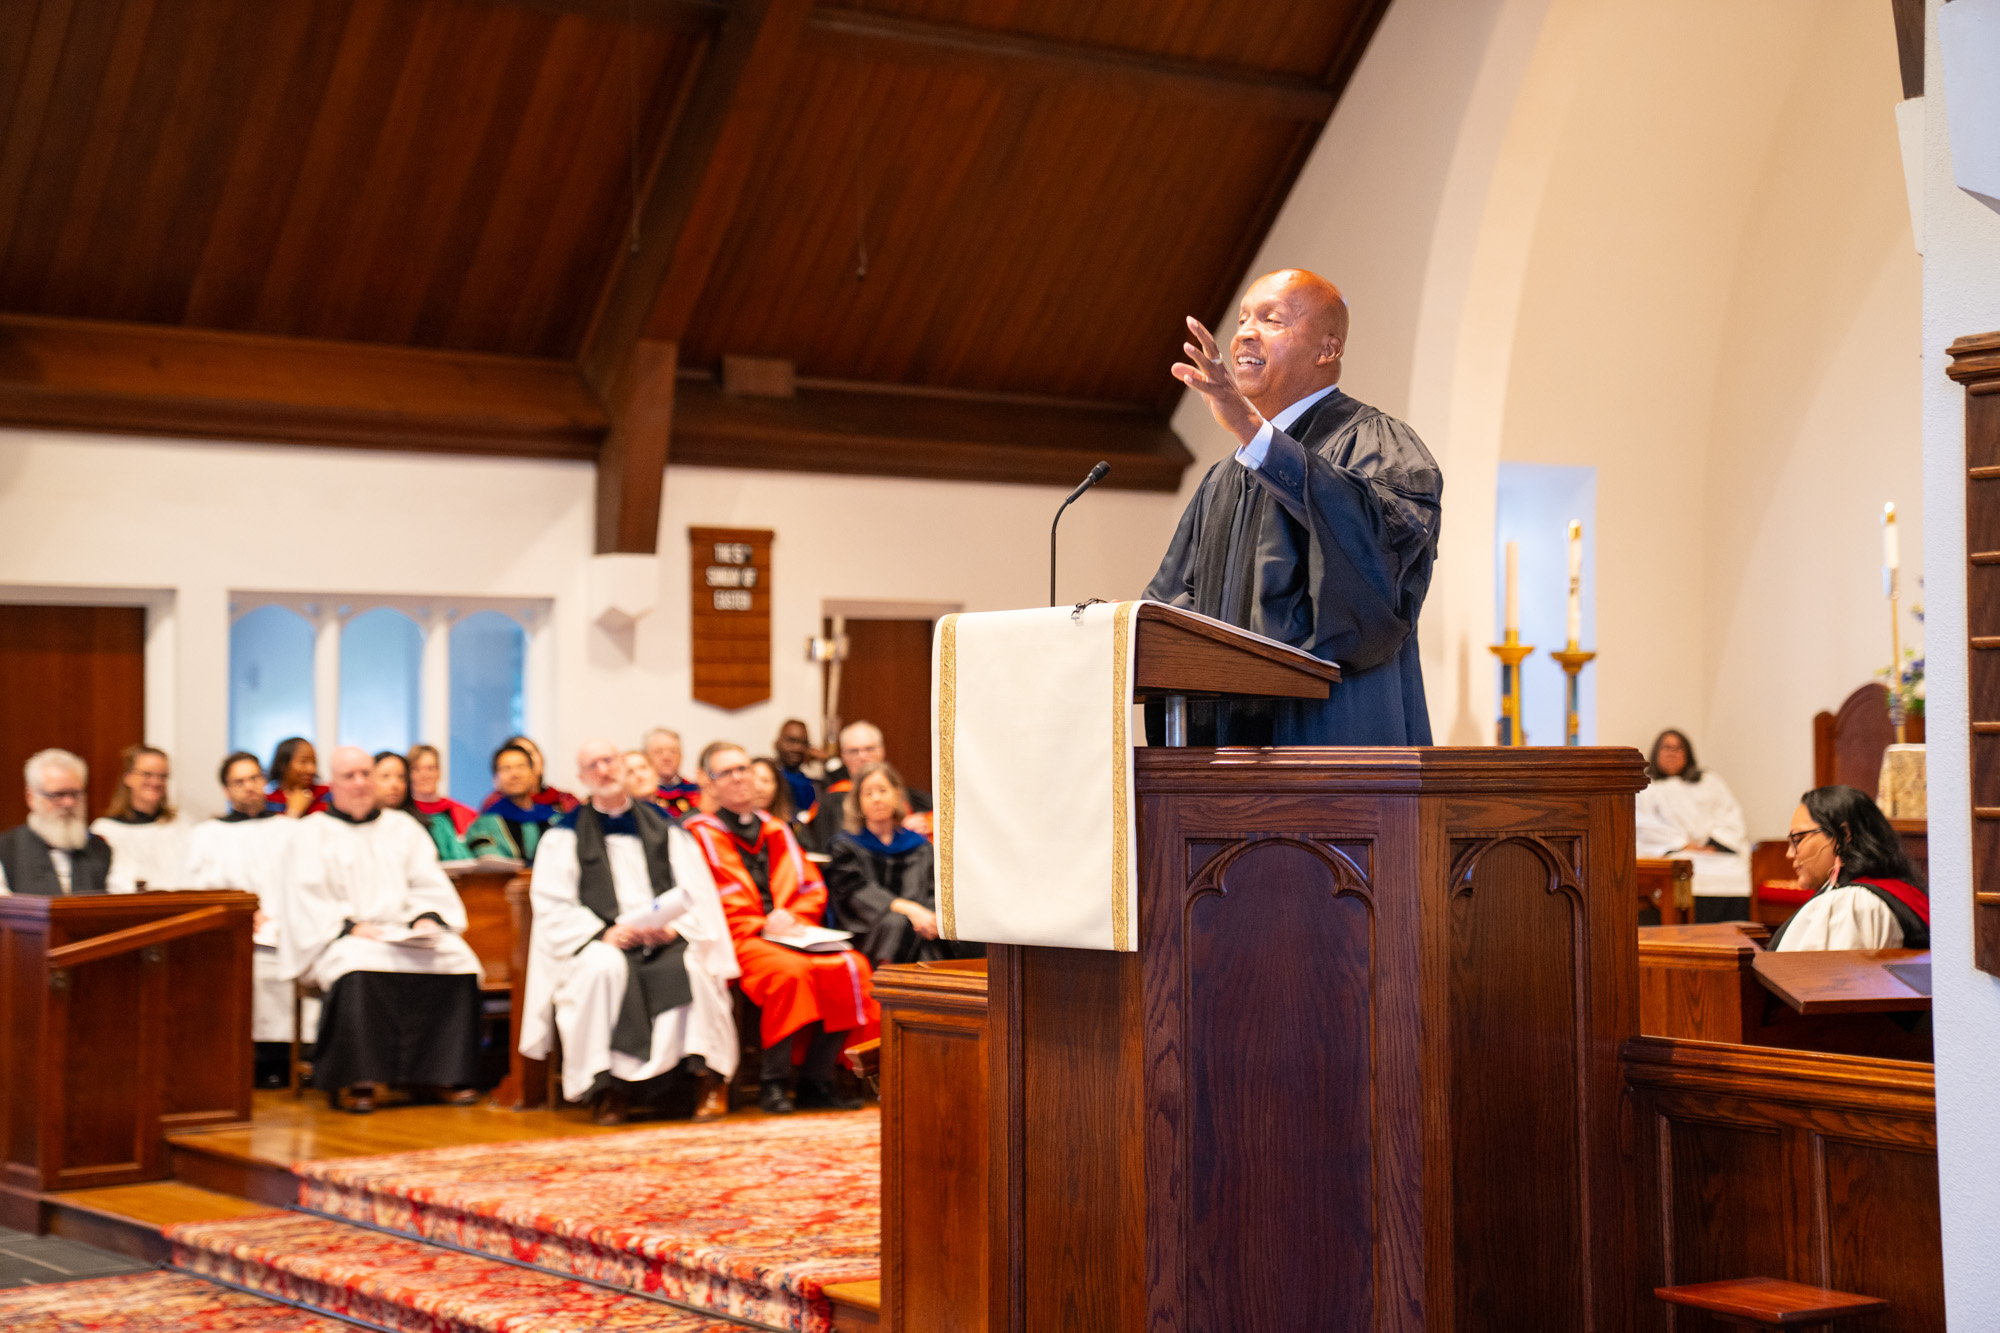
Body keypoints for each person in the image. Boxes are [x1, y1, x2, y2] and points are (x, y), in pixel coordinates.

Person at [1143, 268, 1441, 745]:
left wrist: (1253, 431)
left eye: (1271, 319)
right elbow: (1181, 606)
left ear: (1328, 349)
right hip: (1221, 761)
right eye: (1243, 318)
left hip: (1332, 747)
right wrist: (1122, 629)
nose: (1245, 333)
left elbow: (1378, 557)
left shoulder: (1377, 443)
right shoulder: (1223, 478)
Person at [520, 740, 740, 1125]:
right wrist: (602, 933)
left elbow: (698, 893)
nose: (603, 770)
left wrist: (673, 927)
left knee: (694, 968)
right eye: (593, 765)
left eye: (609, 760)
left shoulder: (665, 828)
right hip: (603, 938)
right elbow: (553, 904)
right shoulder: (564, 836)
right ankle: (609, 1089)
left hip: (664, 936)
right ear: (581, 777)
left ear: (623, 764)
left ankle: (706, 1079)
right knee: (602, 968)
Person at [276, 746, 483, 1113]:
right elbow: (305, 898)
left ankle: (438, 1078)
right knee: (357, 965)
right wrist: (350, 927)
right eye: (349, 776)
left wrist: (426, 917)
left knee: (457, 959)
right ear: (332, 783)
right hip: (345, 937)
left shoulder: (403, 828)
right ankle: (360, 1080)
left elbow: (427, 883)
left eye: (365, 774)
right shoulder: (311, 832)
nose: (360, 783)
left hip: (401, 932)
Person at [683, 742, 877, 1114]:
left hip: (788, 931)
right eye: (727, 772)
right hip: (739, 937)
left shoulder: (776, 829)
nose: (739, 778)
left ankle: (816, 1080)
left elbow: (810, 887)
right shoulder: (696, 834)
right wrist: (763, 923)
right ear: (708, 781)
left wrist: (791, 917)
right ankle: (774, 1082)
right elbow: (702, 900)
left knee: (851, 966)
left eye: (743, 769)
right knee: (790, 973)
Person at [184, 751, 309, 1086]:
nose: (249, 786)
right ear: (226, 790)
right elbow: (196, 889)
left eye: (254, 778)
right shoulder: (206, 834)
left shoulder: (291, 829)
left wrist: (278, 917)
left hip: (286, 926)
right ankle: (249, 1061)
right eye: (239, 782)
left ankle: (293, 1057)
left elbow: (306, 883)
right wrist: (239, 914)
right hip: (234, 926)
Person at [827, 761, 982, 967]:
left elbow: (934, 890)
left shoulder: (919, 846)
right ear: (858, 802)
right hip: (870, 930)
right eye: (868, 793)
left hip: (921, 926)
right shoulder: (846, 847)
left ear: (897, 795)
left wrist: (929, 918)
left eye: (883, 790)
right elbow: (855, 893)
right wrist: (909, 910)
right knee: (897, 924)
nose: (876, 798)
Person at [1771, 786, 1930, 951]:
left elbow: (1828, 968)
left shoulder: (1852, 904)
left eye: (1798, 839)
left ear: (1843, 834)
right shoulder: (1898, 891)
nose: (1790, 853)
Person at [1635, 729, 1751, 921]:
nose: (1672, 753)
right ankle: (1688, 928)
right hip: (1673, 852)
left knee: (1737, 870)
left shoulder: (1709, 781)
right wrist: (1683, 845)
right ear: (1656, 752)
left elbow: (1729, 815)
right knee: (1684, 871)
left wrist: (1714, 845)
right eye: (1667, 748)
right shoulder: (1644, 785)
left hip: (1714, 852)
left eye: (1678, 748)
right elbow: (1644, 824)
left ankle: (1732, 930)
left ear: (1687, 754)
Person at [807, 721, 932, 852]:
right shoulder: (831, 800)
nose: (862, 756)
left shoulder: (904, 794)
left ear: (882, 751)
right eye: (854, 751)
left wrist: (926, 824)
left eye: (869, 749)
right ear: (844, 757)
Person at [0, 749, 110, 895]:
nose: (69, 802)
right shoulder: (6, 848)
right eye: (58, 794)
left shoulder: (101, 849)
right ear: (30, 797)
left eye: (75, 794)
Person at [90, 743, 189, 892]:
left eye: (162, 776)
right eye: (147, 774)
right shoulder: (105, 830)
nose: (156, 782)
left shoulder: (180, 824)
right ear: (128, 777)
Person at [465, 743, 558, 863]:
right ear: (495, 779)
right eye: (506, 768)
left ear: (532, 774)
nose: (515, 774)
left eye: (521, 767)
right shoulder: (483, 825)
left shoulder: (554, 819)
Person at [378, 750, 466, 860]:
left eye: (401, 777)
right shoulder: (364, 824)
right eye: (385, 776)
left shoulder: (435, 824)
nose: (394, 784)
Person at [477, 736, 578, 816]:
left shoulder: (564, 801)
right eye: (508, 767)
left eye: (529, 754)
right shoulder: (494, 807)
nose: (516, 773)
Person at [407, 745, 476, 838]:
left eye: (430, 768)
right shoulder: (402, 813)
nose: (424, 775)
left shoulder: (463, 813)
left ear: (439, 772)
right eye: (416, 769)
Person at [751, 756, 812, 846]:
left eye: (766, 781)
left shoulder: (793, 825)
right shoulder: (736, 825)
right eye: (753, 781)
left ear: (777, 786)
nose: (759, 788)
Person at [645, 728, 702, 817]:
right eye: (659, 752)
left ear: (681, 756)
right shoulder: (641, 794)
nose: (666, 757)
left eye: (673, 751)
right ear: (646, 757)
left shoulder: (697, 791)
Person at [266, 737, 328, 817]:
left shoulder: (325, 795)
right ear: (283, 764)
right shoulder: (268, 802)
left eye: (314, 762)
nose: (312, 769)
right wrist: (294, 812)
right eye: (303, 761)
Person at [773, 719, 822, 818]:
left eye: (804, 743)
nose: (797, 748)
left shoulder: (812, 783)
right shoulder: (771, 779)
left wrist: (828, 760)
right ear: (777, 743)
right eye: (791, 741)